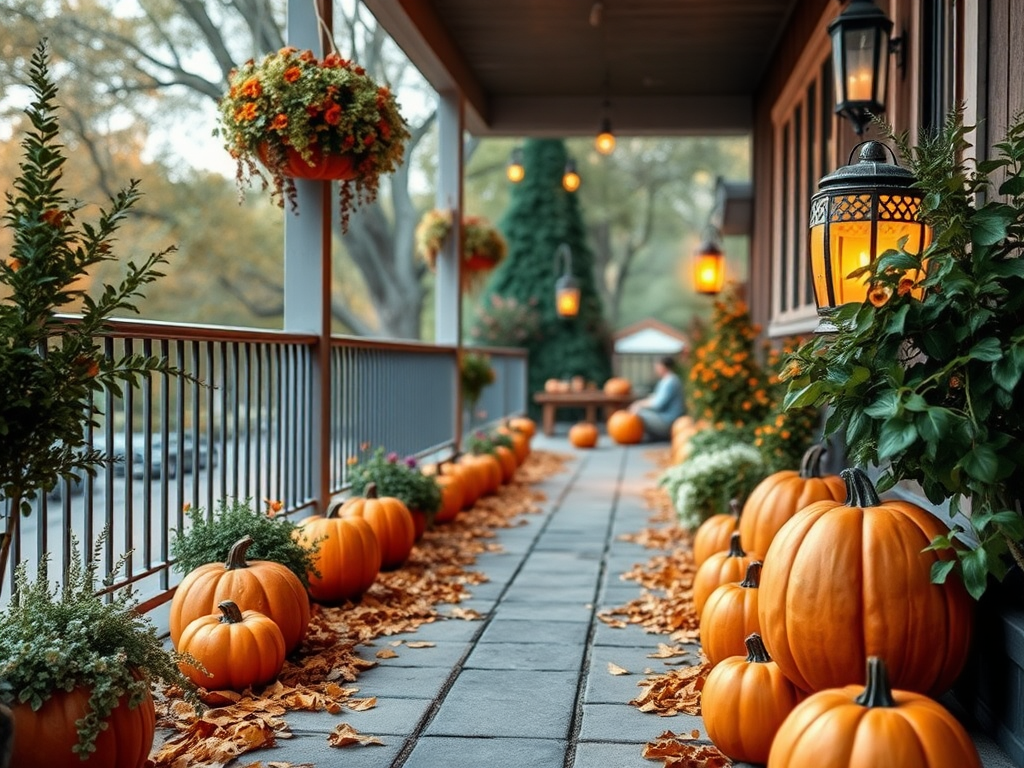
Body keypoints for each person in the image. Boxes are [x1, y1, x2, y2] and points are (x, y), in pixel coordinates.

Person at [628, 356, 685, 441]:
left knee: (638, 412)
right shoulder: (668, 380)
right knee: (638, 409)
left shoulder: (670, 381)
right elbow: (655, 397)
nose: (656, 369)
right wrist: (640, 403)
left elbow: (658, 404)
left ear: (663, 367)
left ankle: (633, 436)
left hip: (669, 422)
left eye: (657, 366)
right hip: (668, 419)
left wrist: (639, 405)